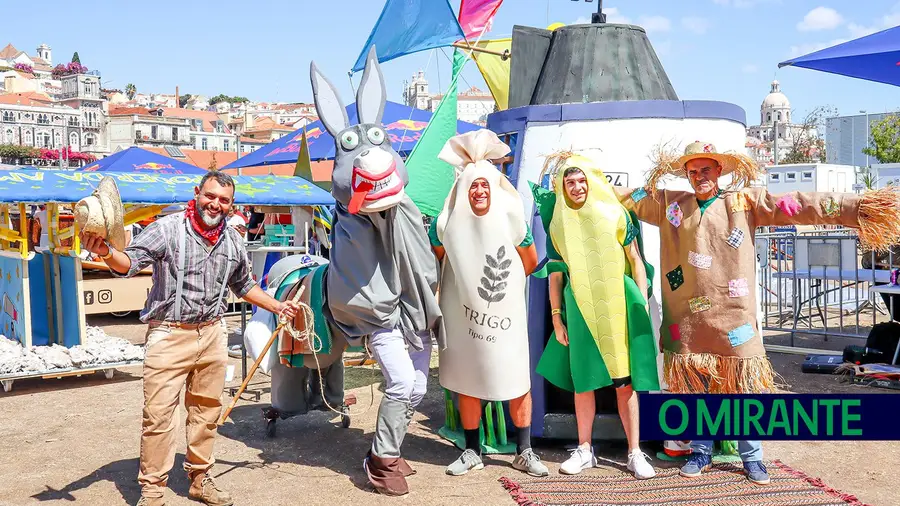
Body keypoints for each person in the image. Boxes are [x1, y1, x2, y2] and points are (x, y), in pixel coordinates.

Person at [617, 141, 900, 485]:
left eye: (706, 170)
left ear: (719, 172)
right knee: (700, 389)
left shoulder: (742, 202)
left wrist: (860, 207)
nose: (700, 177)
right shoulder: (673, 205)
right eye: (693, 171)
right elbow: (619, 197)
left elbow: (798, 205)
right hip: (690, 320)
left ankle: (752, 458)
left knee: (742, 389)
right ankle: (701, 451)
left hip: (734, 316)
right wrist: (577, 186)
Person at [81, 171, 301, 506]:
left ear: (231, 205)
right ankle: (153, 490)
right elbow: (129, 263)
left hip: (213, 334)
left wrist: (277, 305)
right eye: (210, 196)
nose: (215, 204)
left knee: (206, 411)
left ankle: (200, 479)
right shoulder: (167, 230)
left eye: (223, 200)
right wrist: (107, 253)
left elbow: (243, 285)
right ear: (197, 193)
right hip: (168, 335)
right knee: (158, 416)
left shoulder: (233, 241)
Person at [532, 152, 659, 479]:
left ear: (591, 182)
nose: (576, 187)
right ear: (562, 185)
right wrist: (557, 318)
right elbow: (556, 275)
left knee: (624, 382)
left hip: (617, 306)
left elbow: (635, 259)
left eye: (581, 180)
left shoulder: (616, 213)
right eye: (569, 182)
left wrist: (642, 302)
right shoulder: (558, 222)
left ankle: (634, 452)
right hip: (580, 309)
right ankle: (585, 449)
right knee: (583, 381)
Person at [430, 130, 548, 477]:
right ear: (463, 192)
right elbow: (441, 262)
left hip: (503, 316)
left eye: (484, 185)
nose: (479, 192)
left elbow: (528, 261)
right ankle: (471, 450)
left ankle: (524, 451)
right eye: (472, 187)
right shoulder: (446, 226)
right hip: (464, 320)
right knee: (469, 380)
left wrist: (502, 293)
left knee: (514, 380)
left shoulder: (513, 224)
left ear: (494, 189)